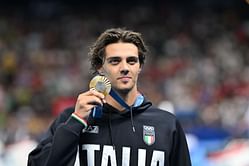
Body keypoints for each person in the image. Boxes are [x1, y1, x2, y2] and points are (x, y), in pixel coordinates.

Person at [28, 28, 191, 166]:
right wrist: (76, 122)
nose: (125, 68)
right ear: (100, 67)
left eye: (132, 61)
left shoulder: (167, 125)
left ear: (140, 66)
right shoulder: (73, 119)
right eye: (115, 61)